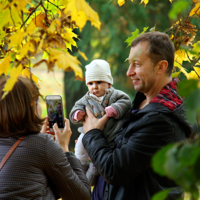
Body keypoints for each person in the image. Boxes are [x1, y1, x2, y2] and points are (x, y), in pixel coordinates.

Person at [81, 32, 197, 200]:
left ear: (160, 67)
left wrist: (92, 135)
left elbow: (114, 170)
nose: (129, 72)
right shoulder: (143, 102)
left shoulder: (161, 120)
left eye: (136, 64)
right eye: (129, 64)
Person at [0, 76, 91, 200]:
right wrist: (64, 148)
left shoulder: (41, 143)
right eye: (37, 101)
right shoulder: (42, 144)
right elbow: (82, 196)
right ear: (28, 107)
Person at [69, 59, 132, 186]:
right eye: (90, 83)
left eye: (99, 82)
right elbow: (76, 108)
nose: (95, 87)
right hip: (87, 133)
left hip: (110, 135)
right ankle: (79, 170)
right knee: (79, 148)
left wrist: (115, 109)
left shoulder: (115, 95)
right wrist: (77, 115)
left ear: (109, 83)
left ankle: (89, 179)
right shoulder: (86, 98)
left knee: (98, 160)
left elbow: (126, 101)